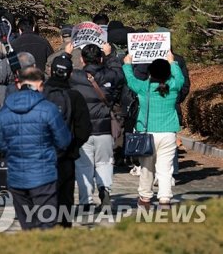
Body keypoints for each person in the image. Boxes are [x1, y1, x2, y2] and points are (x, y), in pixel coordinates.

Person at [0, 67, 72, 230]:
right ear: (40, 84)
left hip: (16, 176)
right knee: (47, 225)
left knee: (28, 227)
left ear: (19, 84)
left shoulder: (4, 112)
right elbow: (64, 140)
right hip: (43, 175)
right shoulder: (48, 109)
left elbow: (1, 146)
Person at [123, 52, 185, 210]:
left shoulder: (143, 87)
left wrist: (127, 63)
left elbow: (130, 79)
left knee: (147, 168)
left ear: (150, 73)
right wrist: (172, 62)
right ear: (168, 73)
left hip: (147, 133)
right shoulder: (174, 86)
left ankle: (145, 198)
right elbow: (180, 78)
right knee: (165, 168)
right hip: (168, 132)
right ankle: (165, 199)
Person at [70, 43, 124, 209]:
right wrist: (110, 56)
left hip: (82, 128)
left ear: (82, 59)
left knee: (83, 165)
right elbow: (120, 75)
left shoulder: (75, 77)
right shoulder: (110, 75)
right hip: (104, 126)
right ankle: (104, 189)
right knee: (105, 162)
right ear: (101, 59)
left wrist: (66, 54)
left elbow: (59, 73)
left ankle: (86, 200)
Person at [43, 55, 91, 227]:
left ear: (51, 71)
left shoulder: (40, 94)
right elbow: (84, 128)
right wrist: (73, 147)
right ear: (70, 74)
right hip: (66, 156)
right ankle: (63, 230)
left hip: (41, 155)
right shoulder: (75, 96)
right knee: (65, 197)